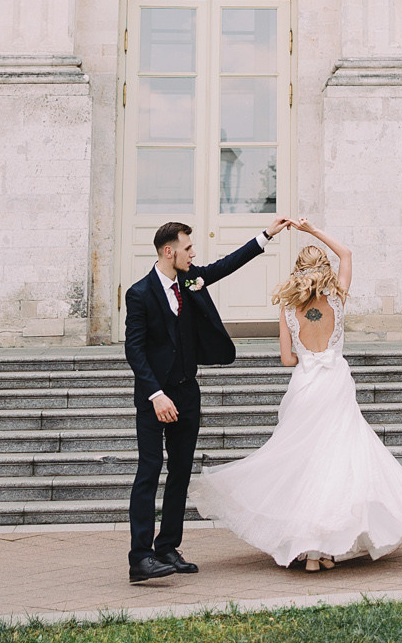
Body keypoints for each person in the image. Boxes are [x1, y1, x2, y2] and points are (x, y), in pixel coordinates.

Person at [189, 219, 402, 569]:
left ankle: (311, 551)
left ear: (297, 272)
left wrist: (305, 352)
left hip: (305, 386)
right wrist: (311, 230)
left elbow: (287, 359)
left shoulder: (287, 308)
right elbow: (347, 253)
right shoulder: (337, 298)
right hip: (335, 382)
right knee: (335, 463)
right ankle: (322, 549)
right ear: (325, 269)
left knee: (304, 463)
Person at [124, 215, 290, 584]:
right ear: (169, 252)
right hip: (154, 399)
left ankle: (167, 547)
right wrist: (156, 394)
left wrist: (266, 236)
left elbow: (225, 266)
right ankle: (140, 558)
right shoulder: (138, 294)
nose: (192, 254)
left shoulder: (190, 279)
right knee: (148, 473)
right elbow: (134, 351)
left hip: (187, 392)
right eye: (187, 248)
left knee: (180, 473)